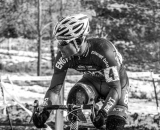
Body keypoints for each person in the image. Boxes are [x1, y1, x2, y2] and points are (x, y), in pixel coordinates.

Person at [32, 13, 130, 130]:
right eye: (58, 42)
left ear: (78, 40)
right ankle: (76, 127)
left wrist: (104, 112)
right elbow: (54, 89)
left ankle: (102, 116)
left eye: (63, 43)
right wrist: (45, 111)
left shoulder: (103, 50)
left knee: (114, 125)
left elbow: (115, 88)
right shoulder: (63, 57)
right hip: (92, 82)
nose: (59, 47)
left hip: (117, 86)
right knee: (75, 96)